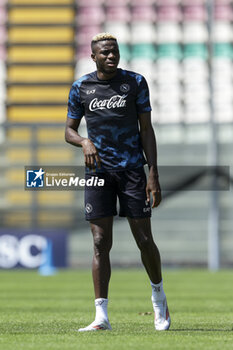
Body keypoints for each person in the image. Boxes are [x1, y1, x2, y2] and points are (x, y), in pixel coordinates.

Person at [65, 33, 171, 332]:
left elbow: (146, 130)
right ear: (93, 56)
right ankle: (101, 316)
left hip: (133, 171)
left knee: (144, 239)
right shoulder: (81, 87)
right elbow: (69, 131)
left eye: (115, 52)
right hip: (98, 173)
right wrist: (83, 141)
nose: (111, 56)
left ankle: (159, 298)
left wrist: (153, 173)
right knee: (100, 242)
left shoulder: (135, 82)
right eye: (105, 53)